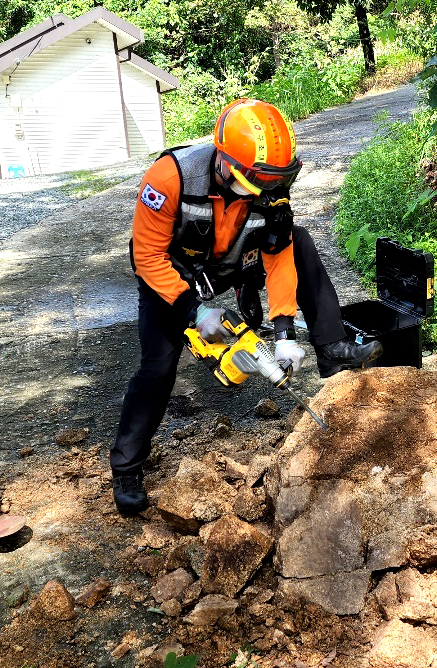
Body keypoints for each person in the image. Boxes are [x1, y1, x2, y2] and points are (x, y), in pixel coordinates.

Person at [112, 98, 383, 515]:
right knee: (157, 368)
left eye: (275, 182)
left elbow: (279, 257)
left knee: (300, 242)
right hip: (173, 273)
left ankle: (331, 347)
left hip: (236, 261)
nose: (265, 191)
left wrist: (285, 331)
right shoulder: (170, 178)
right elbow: (147, 257)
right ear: (225, 162)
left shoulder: (270, 187)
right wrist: (194, 311)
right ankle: (127, 467)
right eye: (257, 181)